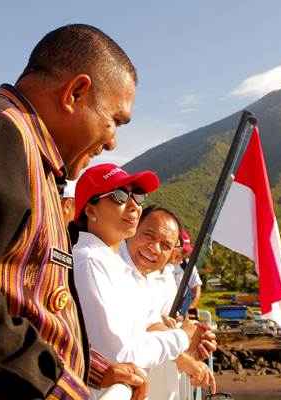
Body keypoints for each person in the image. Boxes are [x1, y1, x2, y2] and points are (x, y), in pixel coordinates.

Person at [0, 24, 146, 399]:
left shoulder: (40, 166)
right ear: (75, 93)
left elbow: (24, 301)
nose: (113, 139)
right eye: (114, 119)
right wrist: (51, 386)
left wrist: (92, 367)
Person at [71, 164, 215, 399]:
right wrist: (182, 337)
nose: (134, 206)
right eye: (120, 196)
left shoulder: (115, 266)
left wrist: (191, 336)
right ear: (90, 210)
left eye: (138, 197)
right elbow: (117, 354)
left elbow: (148, 322)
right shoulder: (89, 261)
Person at [120, 205, 216, 399]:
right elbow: (126, 343)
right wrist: (183, 343)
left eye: (165, 245)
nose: (155, 249)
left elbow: (151, 322)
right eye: (149, 235)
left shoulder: (148, 275)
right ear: (133, 228)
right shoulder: (107, 266)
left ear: (173, 253)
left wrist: (191, 345)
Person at [170, 230, 203, 318]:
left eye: (185, 252)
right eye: (182, 251)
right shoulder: (157, 266)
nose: (183, 255)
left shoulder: (188, 266)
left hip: (180, 314)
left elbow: (197, 290)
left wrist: (189, 309)